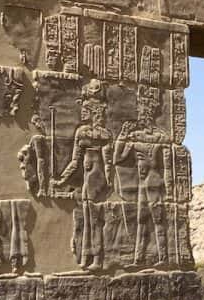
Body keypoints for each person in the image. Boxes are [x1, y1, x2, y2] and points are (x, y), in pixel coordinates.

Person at [54, 80, 113, 271]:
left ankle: (96, 257)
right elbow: (74, 162)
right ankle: (86, 255)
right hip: (89, 181)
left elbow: (108, 163)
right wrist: (62, 180)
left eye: (86, 110)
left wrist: (109, 182)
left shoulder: (102, 135)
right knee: (87, 222)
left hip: (96, 182)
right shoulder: (83, 133)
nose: (83, 113)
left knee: (94, 222)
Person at [113, 86, 169, 268]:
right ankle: (139, 259)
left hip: (154, 181)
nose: (141, 115)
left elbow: (167, 165)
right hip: (143, 182)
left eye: (144, 112)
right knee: (141, 219)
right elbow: (118, 158)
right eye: (140, 111)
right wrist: (122, 136)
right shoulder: (135, 136)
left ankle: (164, 257)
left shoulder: (160, 137)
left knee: (158, 220)